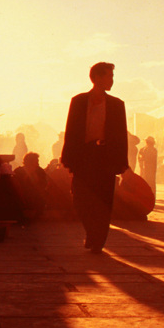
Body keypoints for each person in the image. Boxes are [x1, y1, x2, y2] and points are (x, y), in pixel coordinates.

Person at [61, 62, 129, 252]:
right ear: (96, 78)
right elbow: (71, 131)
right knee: (81, 199)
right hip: (83, 157)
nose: (112, 80)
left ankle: (97, 240)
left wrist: (122, 163)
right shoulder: (79, 101)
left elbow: (120, 136)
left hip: (105, 157)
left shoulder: (116, 104)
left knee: (104, 200)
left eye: (112, 77)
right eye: (108, 76)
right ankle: (92, 232)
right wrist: (67, 159)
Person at [12, 152, 50, 222]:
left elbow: (43, 184)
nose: (38, 163)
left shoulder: (40, 171)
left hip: (36, 193)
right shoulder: (19, 171)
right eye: (36, 161)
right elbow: (17, 184)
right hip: (22, 193)